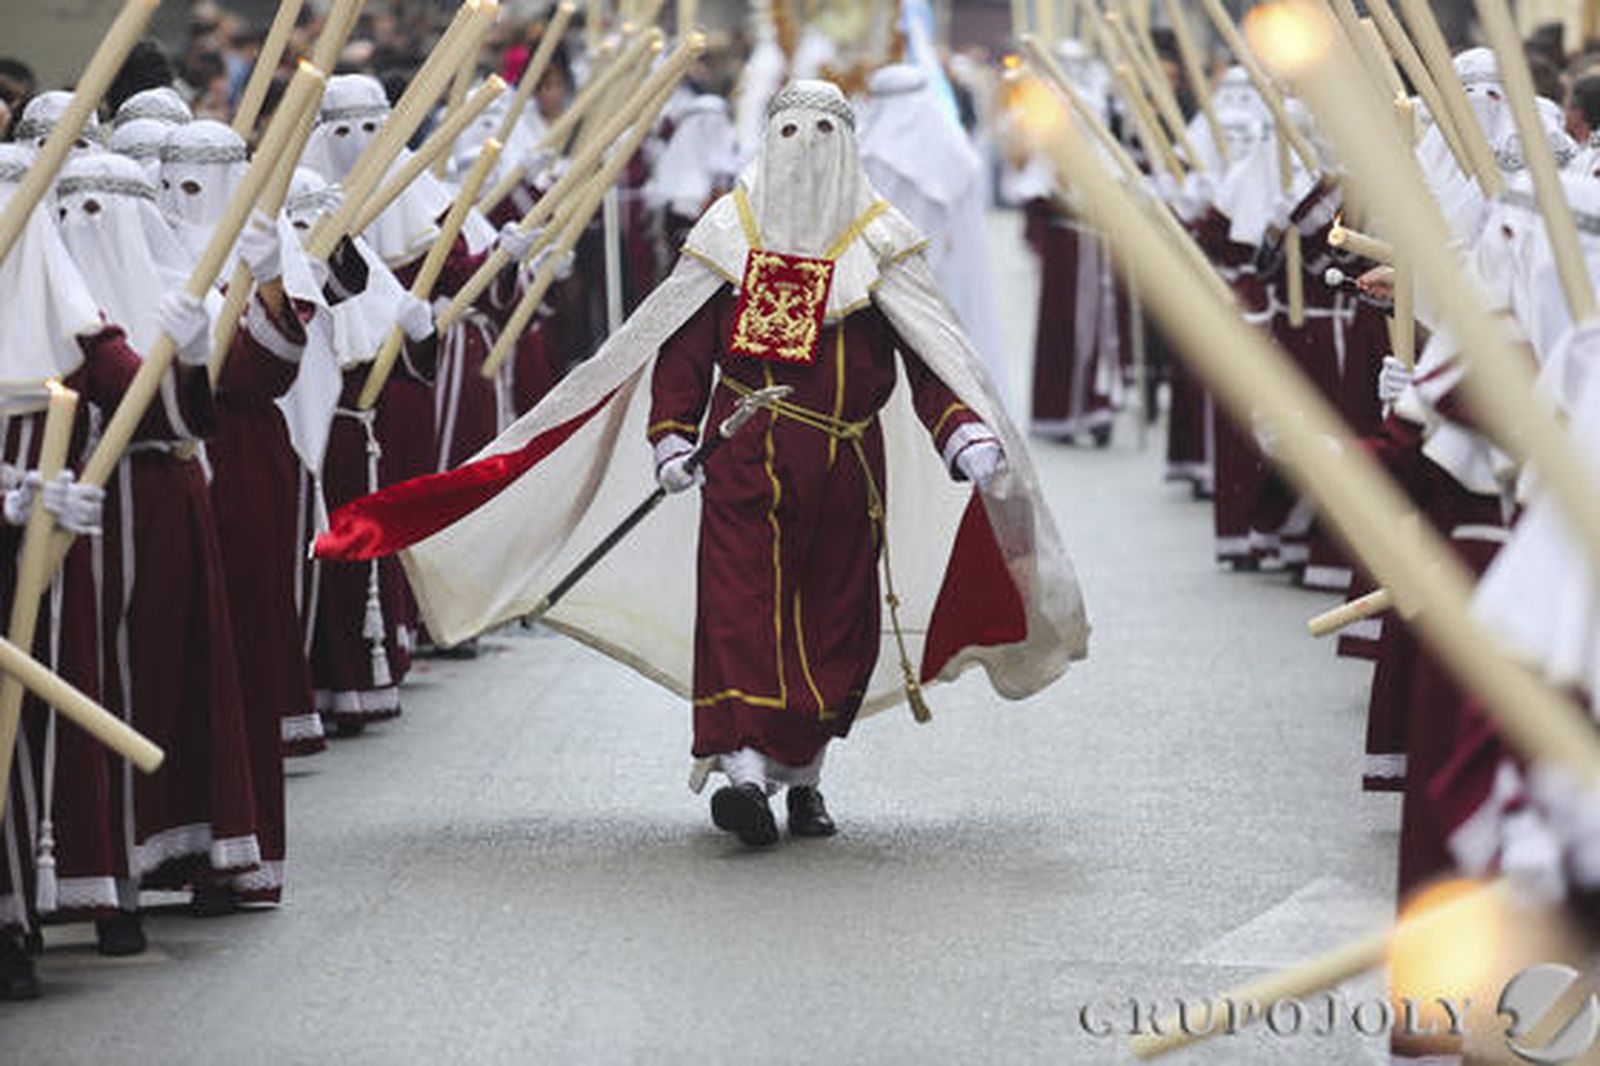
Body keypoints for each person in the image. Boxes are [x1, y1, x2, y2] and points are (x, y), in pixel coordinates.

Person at [316, 80, 1089, 847]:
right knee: (741, 615)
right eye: (791, 132)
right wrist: (671, 435)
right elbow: (682, 348)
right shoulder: (731, 232)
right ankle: (746, 773)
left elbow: (928, 361)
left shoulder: (883, 242)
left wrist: (964, 434)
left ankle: (805, 778)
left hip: (848, 473)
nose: (805, 151)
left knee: (831, 625)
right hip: (745, 458)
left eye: (824, 133)